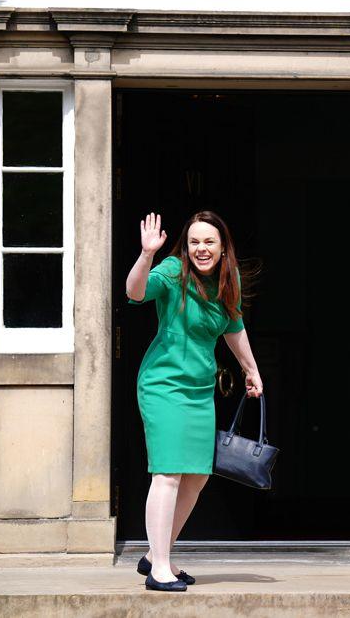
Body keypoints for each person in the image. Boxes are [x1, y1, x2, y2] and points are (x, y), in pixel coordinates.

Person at [126, 210, 263, 592]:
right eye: (194, 242)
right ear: (185, 248)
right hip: (163, 385)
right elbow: (134, 292)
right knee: (168, 472)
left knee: (197, 476)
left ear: (222, 248)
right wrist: (146, 254)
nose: (201, 248)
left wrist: (251, 370)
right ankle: (160, 570)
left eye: (209, 242)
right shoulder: (172, 271)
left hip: (200, 389)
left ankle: (156, 555)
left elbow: (234, 327)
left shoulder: (227, 279)